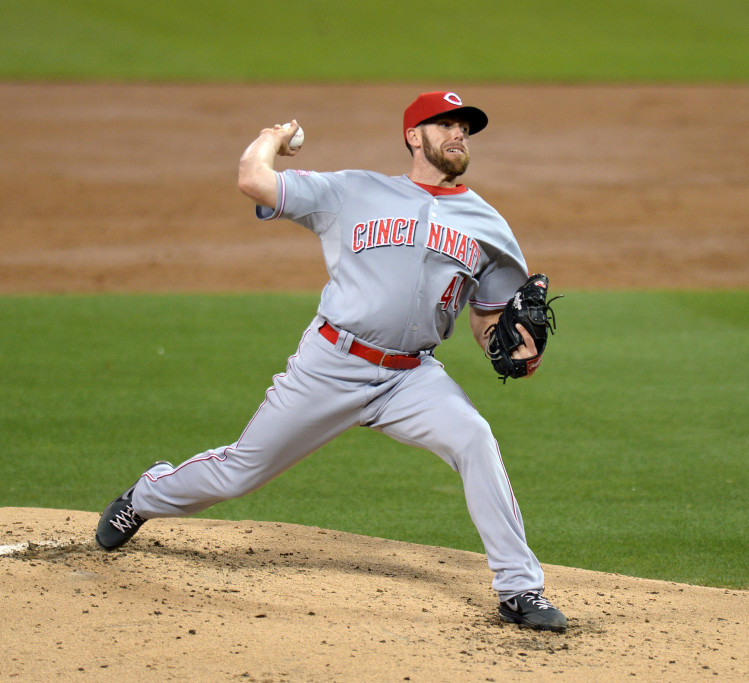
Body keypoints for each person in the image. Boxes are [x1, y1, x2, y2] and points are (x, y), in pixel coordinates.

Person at [95, 91, 568, 633]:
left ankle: (519, 589)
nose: (458, 133)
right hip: (331, 364)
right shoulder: (352, 191)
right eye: (445, 124)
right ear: (414, 136)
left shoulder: (488, 225)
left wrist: (513, 353)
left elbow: (489, 323)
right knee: (239, 472)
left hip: (410, 376)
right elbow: (254, 179)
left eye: (464, 126)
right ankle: (145, 496)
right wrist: (271, 139)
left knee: (474, 438)